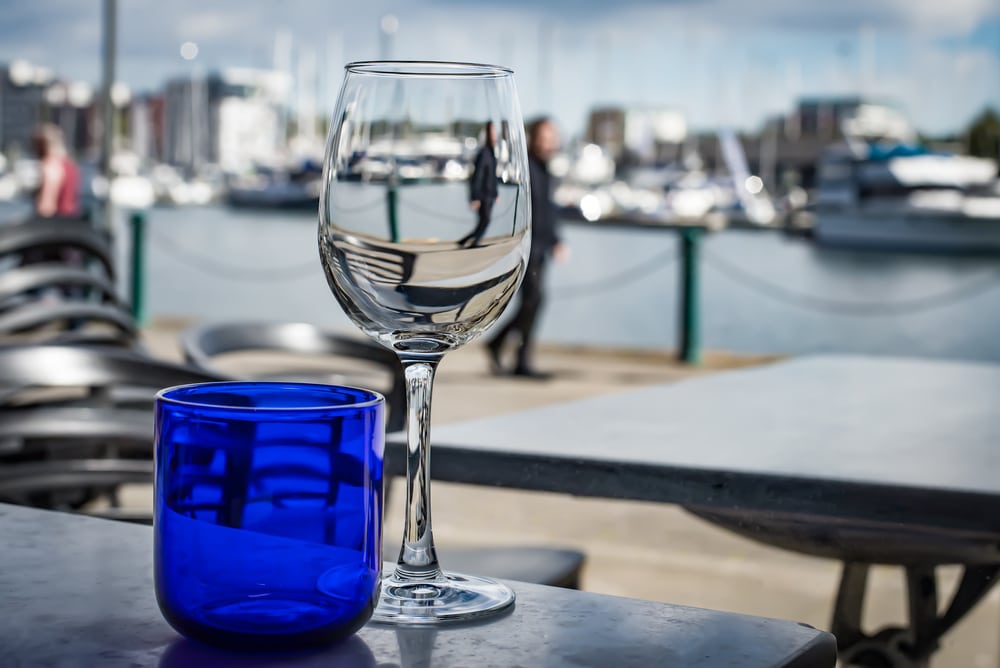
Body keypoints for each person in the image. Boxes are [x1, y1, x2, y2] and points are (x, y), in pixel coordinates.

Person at [485, 117, 569, 379]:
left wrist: (556, 239)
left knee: (533, 303)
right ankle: (517, 358)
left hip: (543, 245)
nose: (549, 141)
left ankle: (502, 347)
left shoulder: (546, 169)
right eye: (544, 135)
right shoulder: (527, 168)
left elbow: (548, 211)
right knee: (533, 302)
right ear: (533, 137)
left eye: (552, 136)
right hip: (528, 247)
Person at [459, 121, 498, 248]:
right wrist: (475, 197)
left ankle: (465, 241)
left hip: (490, 195)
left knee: (483, 222)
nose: (495, 134)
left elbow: (492, 177)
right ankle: (473, 243)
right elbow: (477, 177)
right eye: (492, 132)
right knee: (485, 221)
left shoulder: (492, 153)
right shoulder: (484, 154)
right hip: (484, 196)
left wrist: (496, 193)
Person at [31, 123, 81, 219]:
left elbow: (46, 207)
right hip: (72, 221)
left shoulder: (50, 165)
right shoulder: (70, 164)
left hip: (56, 225)